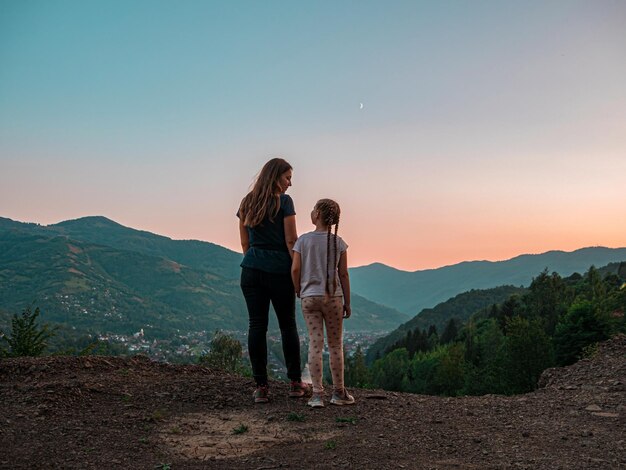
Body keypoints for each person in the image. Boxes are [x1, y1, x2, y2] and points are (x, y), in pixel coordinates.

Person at [237, 157, 309, 404]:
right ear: (275, 176)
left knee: (256, 326)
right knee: (287, 325)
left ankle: (261, 387)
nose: (290, 183)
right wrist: (297, 271)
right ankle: (295, 385)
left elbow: (245, 243)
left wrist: (256, 260)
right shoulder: (284, 202)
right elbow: (291, 241)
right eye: (287, 177)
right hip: (279, 270)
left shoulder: (247, 203)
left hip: (251, 270)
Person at [291, 198, 355, 407]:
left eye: (313, 209)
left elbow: (295, 270)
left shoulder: (303, 241)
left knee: (315, 344)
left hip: (309, 298)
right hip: (332, 297)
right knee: (335, 345)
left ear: (317, 215)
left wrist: (298, 288)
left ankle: (317, 394)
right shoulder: (339, 243)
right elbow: (343, 274)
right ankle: (339, 392)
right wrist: (347, 301)